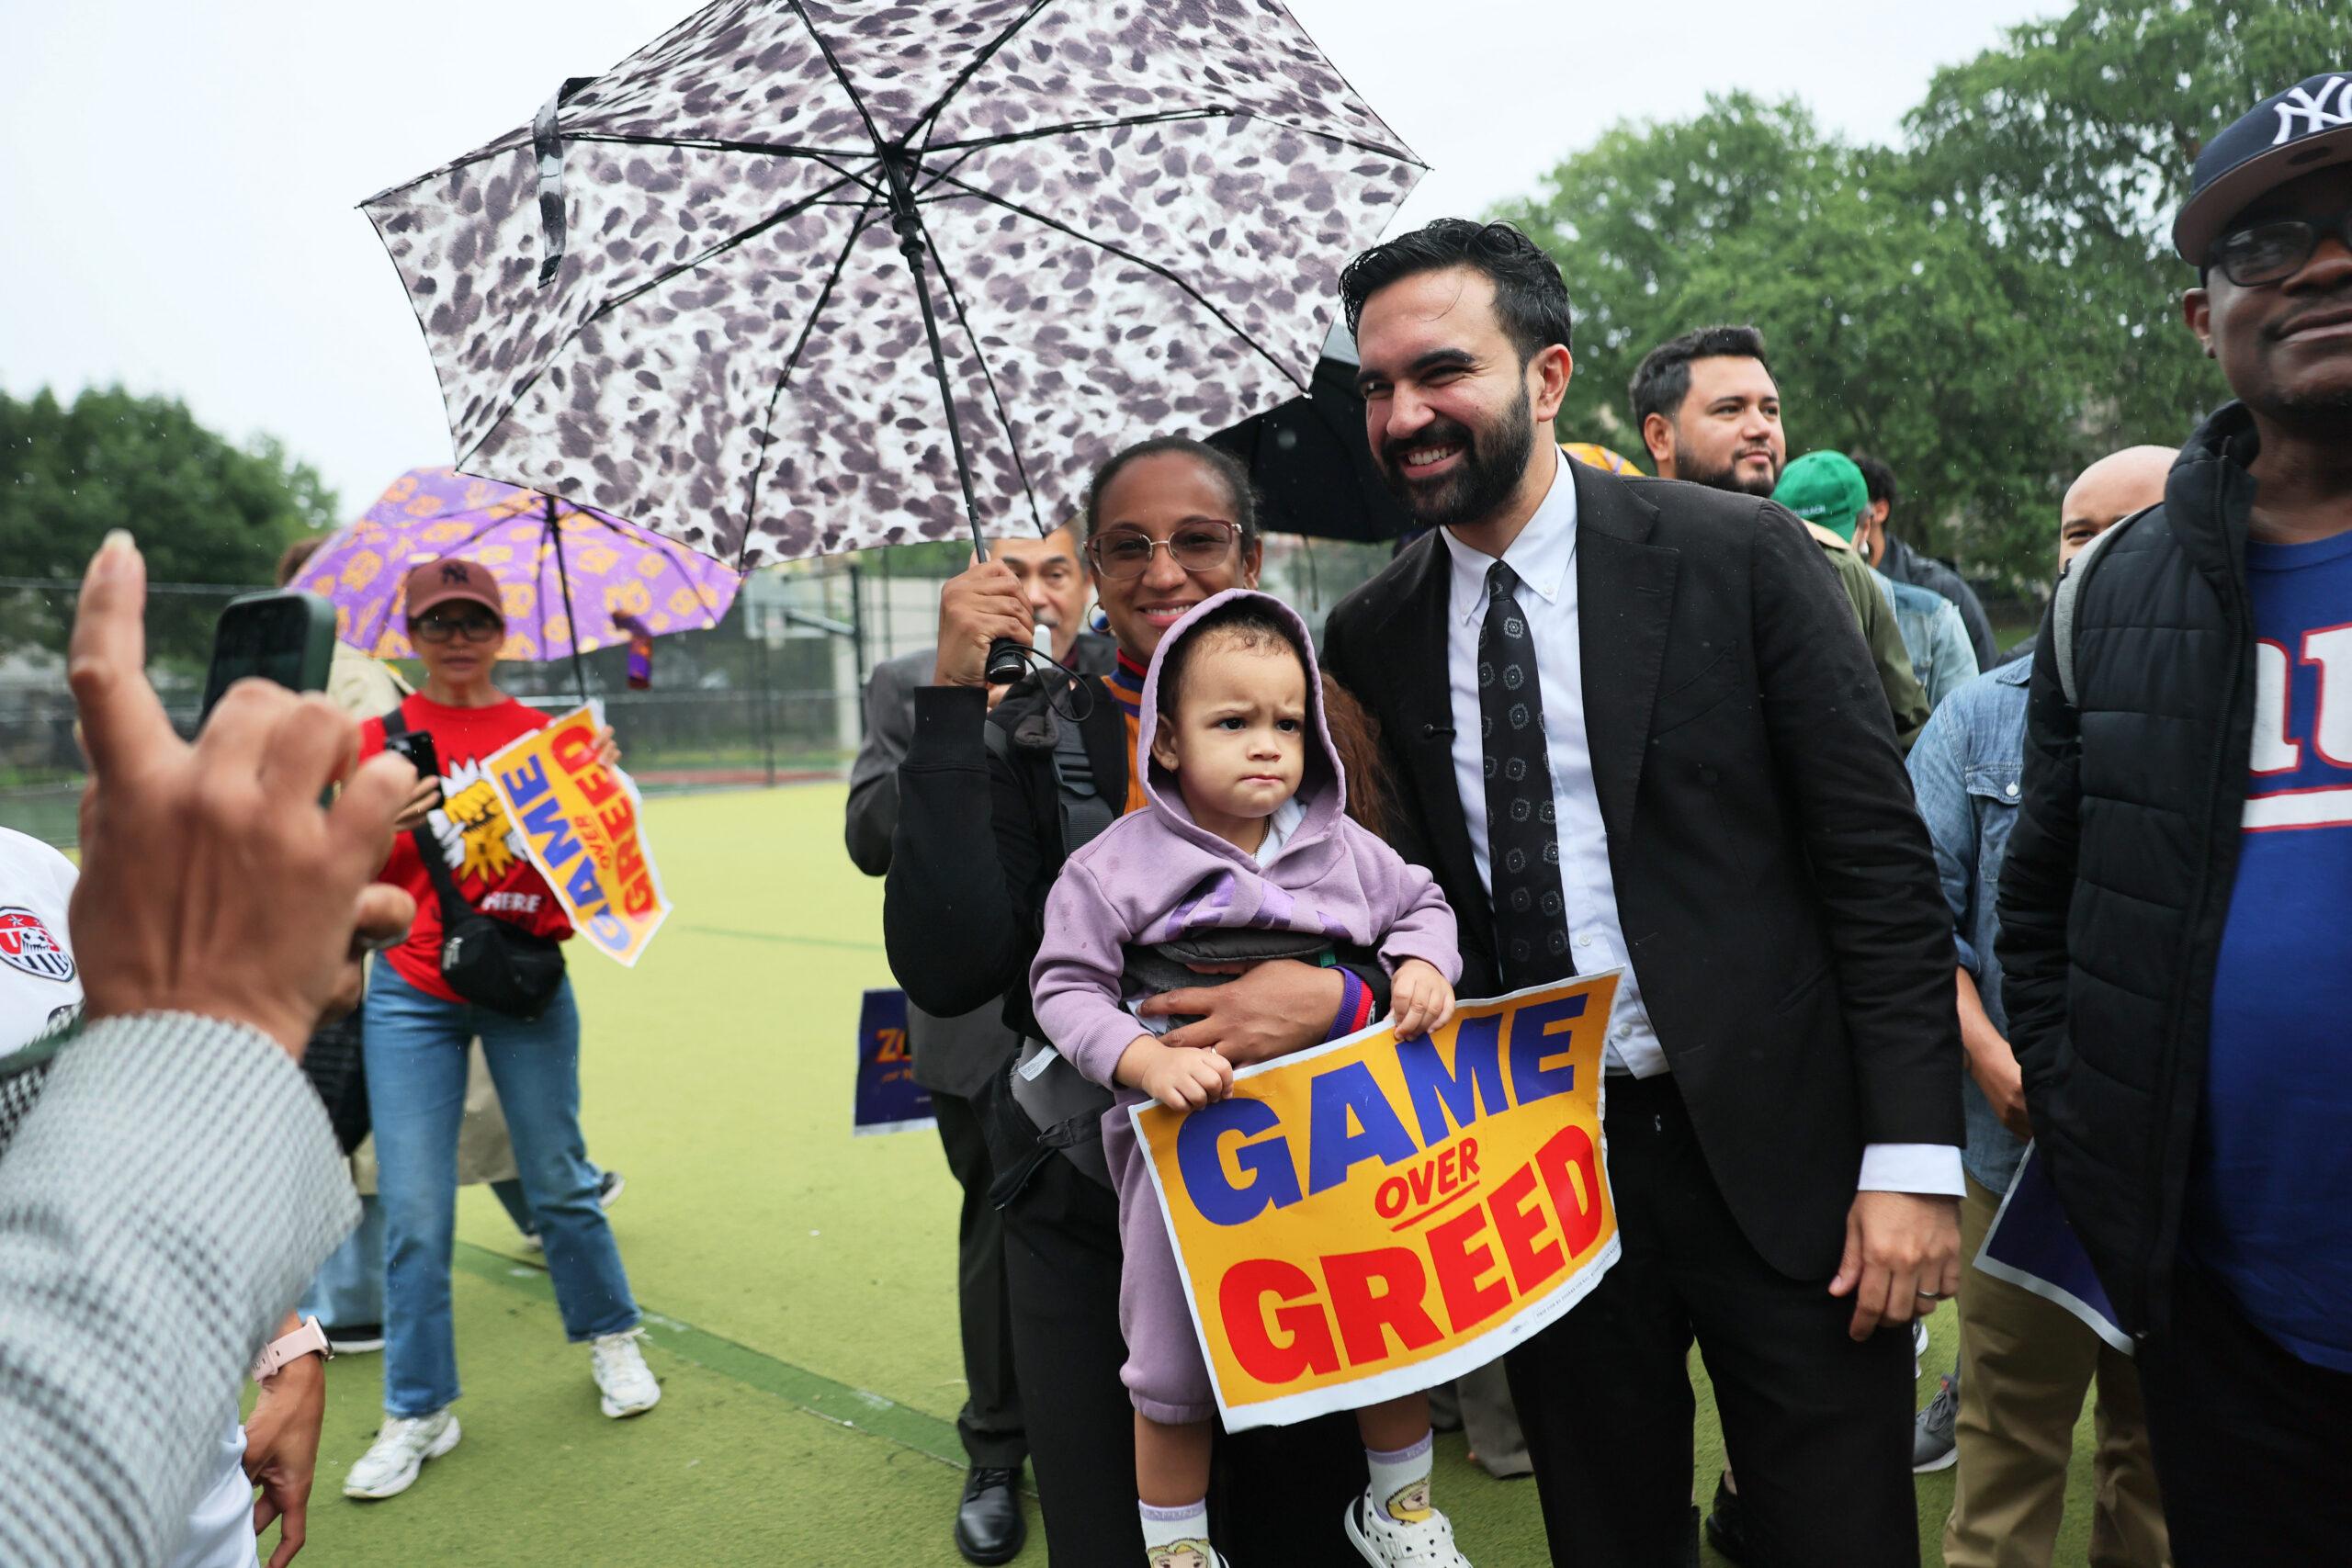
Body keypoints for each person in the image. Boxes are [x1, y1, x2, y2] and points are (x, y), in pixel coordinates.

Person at [1323, 219, 1963, 1567]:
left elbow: (1878, 865)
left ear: (1548, 375)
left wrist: (1911, 1159)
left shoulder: (1742, 554)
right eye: (1376, 386)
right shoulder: (1369, 634)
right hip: (1539, 1174)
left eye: (1441, 371)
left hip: (1789, 1160)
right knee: (1607, 1536)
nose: (1403, 415)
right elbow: (1399, 905)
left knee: (1839, 1537)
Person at [885, 437, 1385, 1564]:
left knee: (1303, 1520)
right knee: (1119, 1532)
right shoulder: (1034, 730)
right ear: (1095, 575)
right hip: (1085, 1196)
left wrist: (1337, 998)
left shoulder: (1324, 726)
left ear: (1250, 555)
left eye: (1197, 540)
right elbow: (950, 965)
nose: (1163, 571)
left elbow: (1420, 933)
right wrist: (953, 700)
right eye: (1127, 547)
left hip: (1304, 1180)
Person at [1998, 74, 2352, 1563]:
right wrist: (2102, 1146)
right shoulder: (2112, 597)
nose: (2327, 262)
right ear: (2205, 317)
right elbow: (2041, 909)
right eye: (2271, 240)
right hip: (2232, 1327)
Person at [1029, 591, 1466, 1568]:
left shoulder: (1346, 850)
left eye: (1287, 723)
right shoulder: (1113, 867)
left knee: (1388, 1322)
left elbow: (1424, 905)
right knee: (1170, 1369)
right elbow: (1062, 988)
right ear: (1167, 739)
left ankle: (1400, 1516)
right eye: (1232, 722)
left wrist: (1423, 966)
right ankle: (1179, 1553)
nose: (1266, 745)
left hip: (1340, 1143)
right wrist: (1145, 1058)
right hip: (1186, 1158)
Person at [0, 530, 410, 1563]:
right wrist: (216, 1028)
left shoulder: (29, 871)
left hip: (193, 1478)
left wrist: (283, 1337)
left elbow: (96, 1129)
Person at [1901, 444, 2177, 1561]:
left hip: (2183, 1173)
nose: (2094, 557)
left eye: (2129, 531)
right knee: (2004, 1453)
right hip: (2014, 1162)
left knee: (2158, 1467)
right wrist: (1985, 1054)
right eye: (2076, 534)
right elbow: (1914, 919)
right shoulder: (1976, 717)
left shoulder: (2239, 715)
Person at [342, 557, 657, 1503]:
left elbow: (599, 870)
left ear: (501, 630)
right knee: (414, 1209)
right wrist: (376, 824)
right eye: (438, 621)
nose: (457, 638)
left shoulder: (546, 738)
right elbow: (328, 869)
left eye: (474, 619)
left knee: (559, 1179)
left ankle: (613, 1337)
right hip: (411, 988)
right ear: (410, 634)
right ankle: (418, 1409)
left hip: (526, 981)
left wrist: (607, 787)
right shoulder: (371, 741)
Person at [843, 521, 1106, 1564]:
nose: (1033, 592)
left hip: (1114, 1019)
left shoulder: (1123, 676)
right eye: (1009, 572)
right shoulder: (911, 680)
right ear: (966, 585)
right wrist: (957, 711)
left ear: (1086, 582)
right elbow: (871, 837)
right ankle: (996, 1448)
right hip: (972, 1023)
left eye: (1055, 570)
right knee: (1000, 1230)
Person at [1630, 324, 1932, 749]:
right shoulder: (1615, 567)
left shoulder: (1833, 565)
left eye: (1770, 410)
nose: (1760, 427)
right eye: (1730, 410)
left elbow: (1907, 737)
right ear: (1660, 436)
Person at [1779, 451, 1980, 709]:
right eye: (1807, 543)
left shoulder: (1934, 622)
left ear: (1866, 527)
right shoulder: (1761, 619)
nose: (1822, 557)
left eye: (1832, 545)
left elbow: (1967, 728)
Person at [1852, 453, 2000, 670]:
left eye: (1847, 502)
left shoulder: (1942, 590)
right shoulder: (1822, 587)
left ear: (1879, 510)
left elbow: (1988, 676)